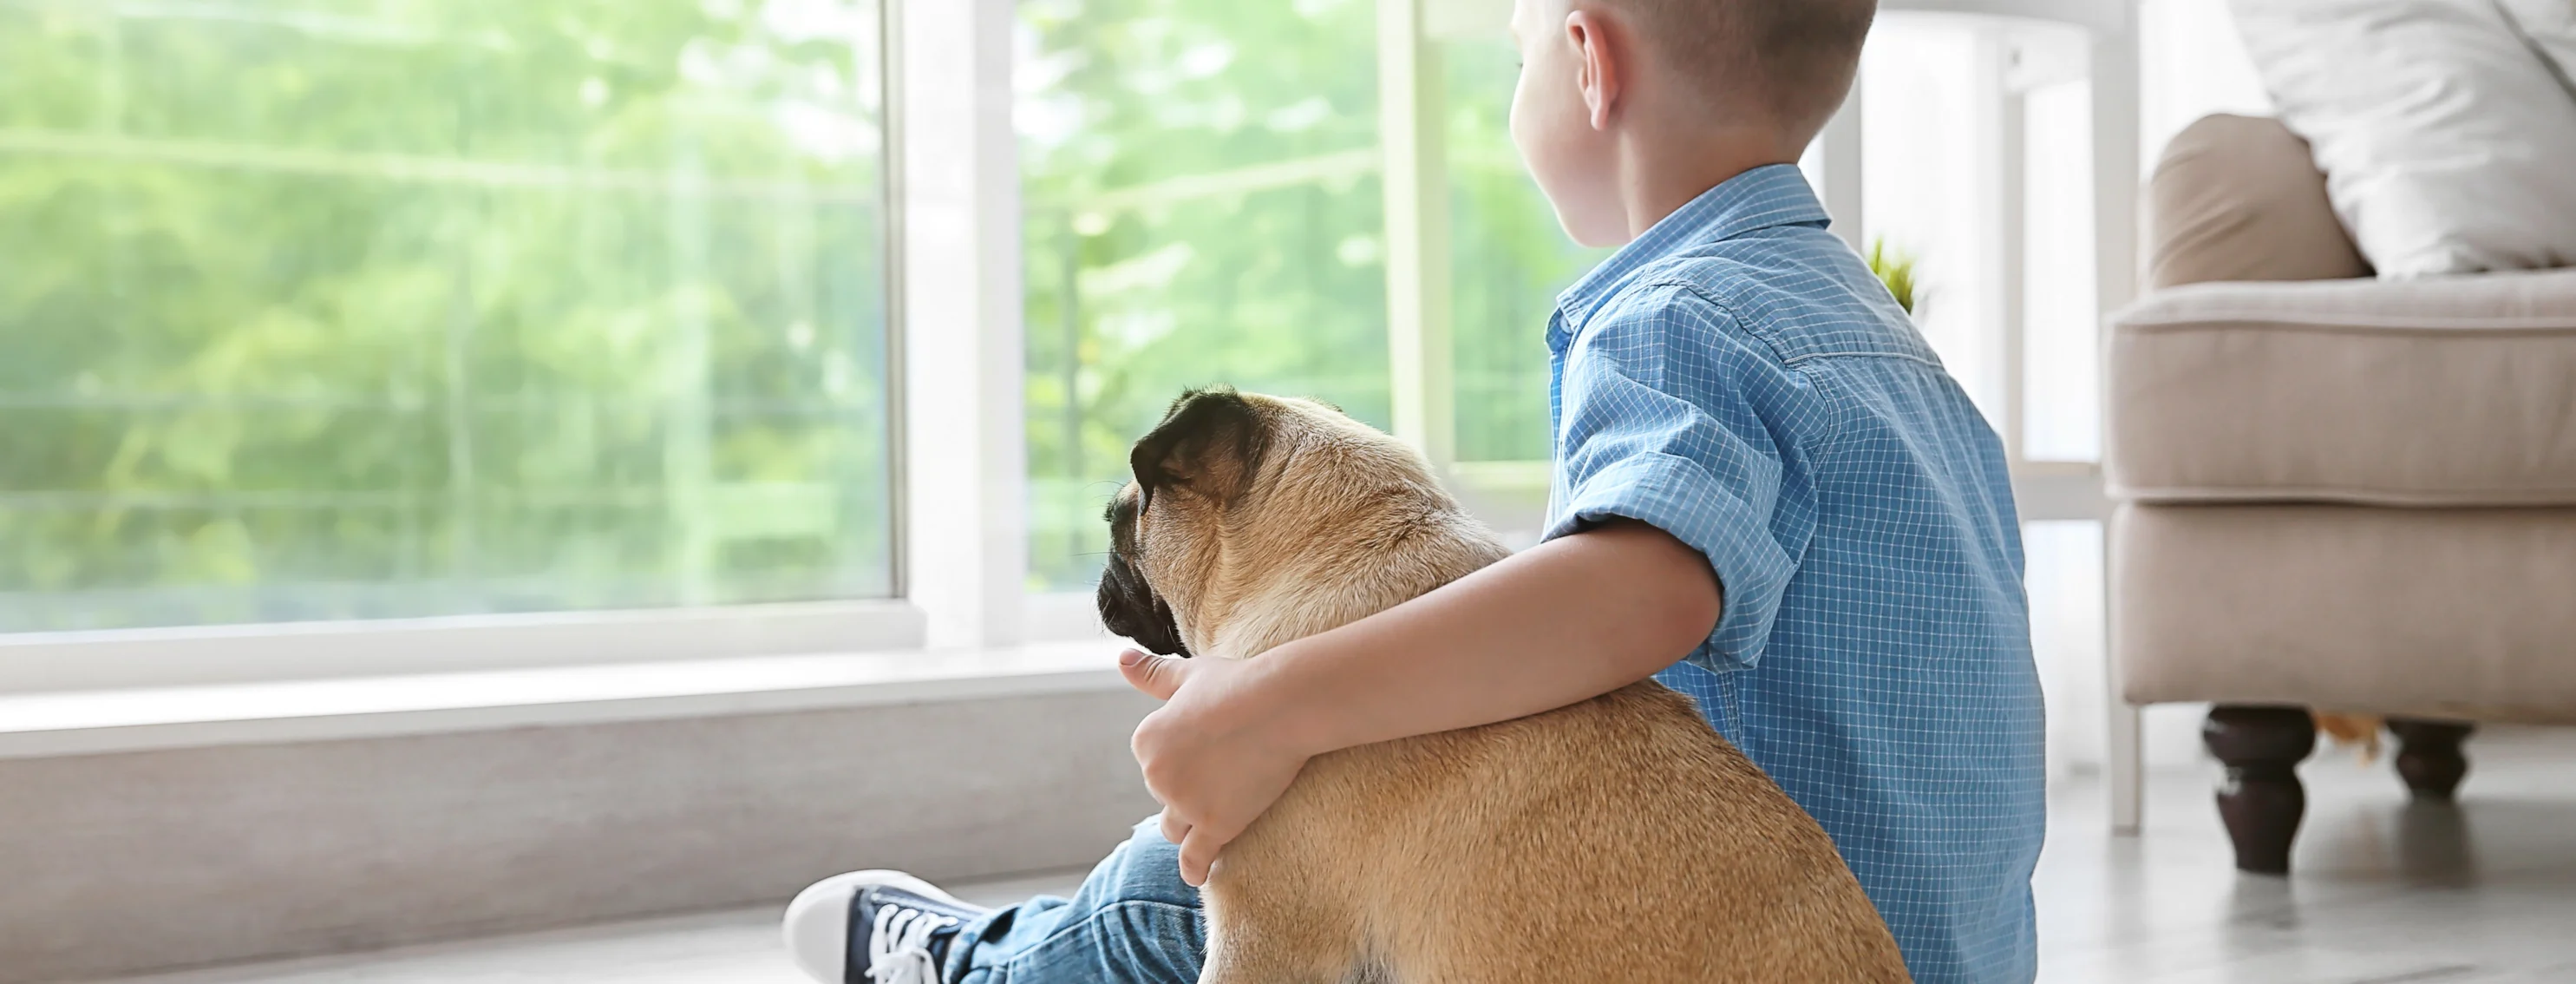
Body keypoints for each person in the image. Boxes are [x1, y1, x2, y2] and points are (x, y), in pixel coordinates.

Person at [784, 0, 2043, 980]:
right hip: (1930, 945)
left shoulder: (1677, 315)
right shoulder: (1890, 356)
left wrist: (1269, 704)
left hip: (1732, 933)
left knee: (1236, 853)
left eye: (1513, 56)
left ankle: (977, 963)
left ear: (1587, 61)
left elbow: (1633, 593)